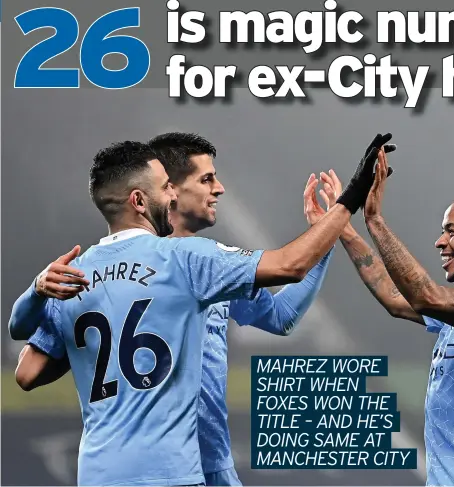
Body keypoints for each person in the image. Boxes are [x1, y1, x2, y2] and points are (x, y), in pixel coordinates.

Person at [8, 135, 391, 486]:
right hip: (176, 468)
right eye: (205, 180)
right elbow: (291, 264)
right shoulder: (193, 261)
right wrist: (347, 204)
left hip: (127, 469)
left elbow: (280, 316)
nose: (218, 188)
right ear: (159, 193)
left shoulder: (80, 274)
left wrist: (44, 302)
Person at [304, 150, 454, 486]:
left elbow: (425, 296)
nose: (440, 241)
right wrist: (342, 227)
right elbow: (397, 299)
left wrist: (375, 220)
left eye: (451, 231)